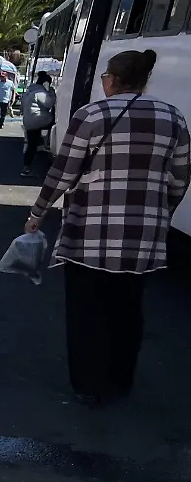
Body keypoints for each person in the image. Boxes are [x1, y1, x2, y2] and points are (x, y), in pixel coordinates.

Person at [24, 49, 189, 407]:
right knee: (129, 307)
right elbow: (179, 178)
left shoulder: (93, 114)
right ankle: (120, 380)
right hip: (144, 235)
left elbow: (63, 172)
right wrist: (161, 214)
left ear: (111, 80)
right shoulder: (172, 117)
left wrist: (38, 212)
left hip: (91, 232)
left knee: (87, 308)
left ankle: (88, 383)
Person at [20, 71, 56, 176]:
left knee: (31, 145)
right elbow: (49, 104)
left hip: (28, 122)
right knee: (55, 122)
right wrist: (52, 92)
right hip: (38, 120)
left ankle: (26, 168)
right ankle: (48, 144)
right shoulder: (40, 93)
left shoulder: (29, 91)